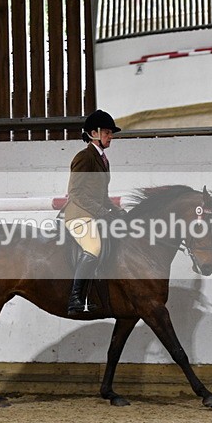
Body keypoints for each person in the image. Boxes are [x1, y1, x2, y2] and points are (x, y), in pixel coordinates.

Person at [61, 109, 127, 315]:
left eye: (110, 133)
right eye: (107, 132)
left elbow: (102, 195)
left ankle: (98, 295)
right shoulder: (84, 157)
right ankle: (75, 298)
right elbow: (75, 193)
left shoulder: (103, 160)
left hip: (94, 213)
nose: (111, 137)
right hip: (78, 215)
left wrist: (117, 211)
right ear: (93, 133)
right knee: (94, 247)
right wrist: (102, 212)